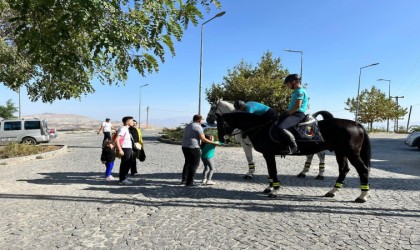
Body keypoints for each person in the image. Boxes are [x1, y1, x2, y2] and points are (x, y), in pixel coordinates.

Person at [181, 114, 222, 186]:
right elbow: (203, 139)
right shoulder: (198, 126)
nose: (202, 121)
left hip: (184, 146)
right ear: (199, 120)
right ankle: (190, 182)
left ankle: (184, 180)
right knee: (194, 164)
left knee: (187, 163)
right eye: (202, 119)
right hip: (193, 147)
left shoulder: (188, 125)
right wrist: (213, 142)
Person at [277, 74, 309, 154]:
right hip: (294, 113)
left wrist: (288, 113)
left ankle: (294, 147)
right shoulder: (296, 92)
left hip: (298, 114)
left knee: (281, 128)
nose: (287, 85)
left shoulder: (300, 91)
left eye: (288, 83)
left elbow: (298, 105)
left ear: (294, 81)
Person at [114, 116, 136, 185]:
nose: (133, 122)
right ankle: (122, 179)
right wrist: (120, 149)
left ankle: (124, 178)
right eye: (131, 121)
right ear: (127, 122)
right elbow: (117, 139)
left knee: (128, 163)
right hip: (125, 148)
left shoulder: (126, 129)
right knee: (125, 164)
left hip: (128, 148)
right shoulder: (123, 129)